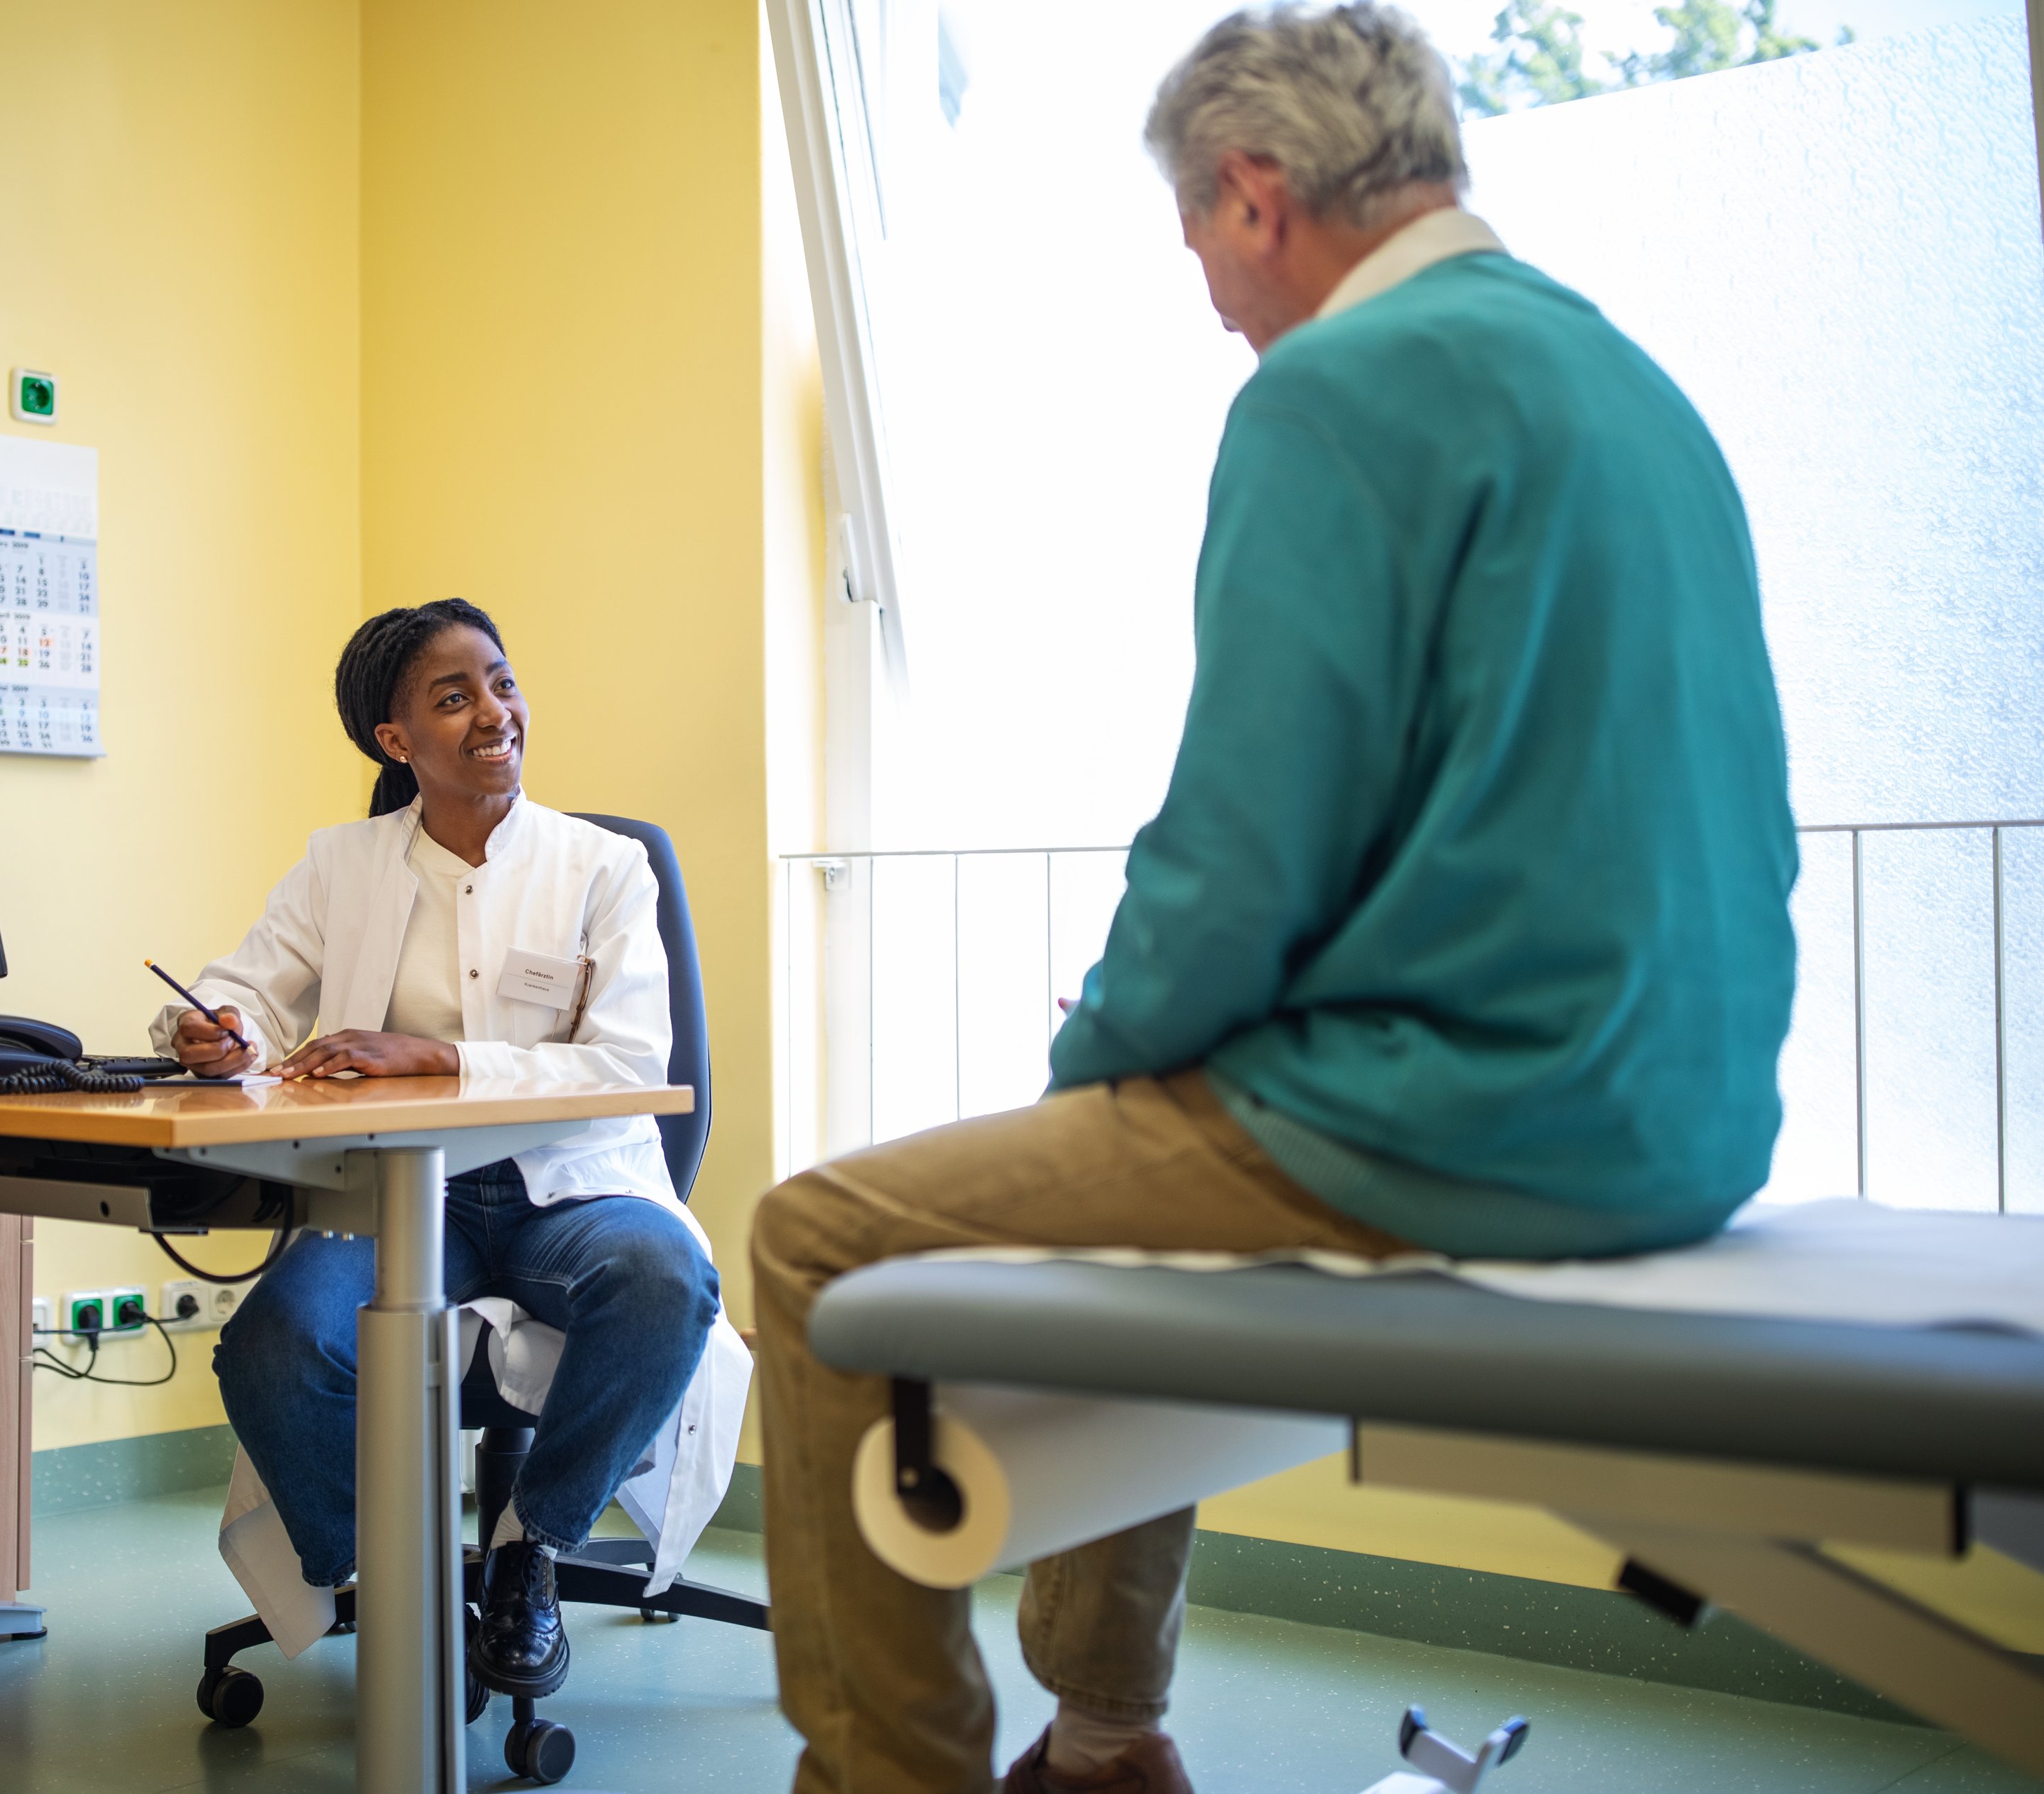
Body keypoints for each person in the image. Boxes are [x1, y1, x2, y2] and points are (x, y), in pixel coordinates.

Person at [749, 6, 1797, 1792]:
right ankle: (1103, 1737)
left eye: (1198, 253)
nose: (1214, 308)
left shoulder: (1332, 389)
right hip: (1685, 1117)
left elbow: (1238, 858)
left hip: (1466, 1121)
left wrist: (1094, 1057)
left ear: (1254, 195)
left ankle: (891, 1774)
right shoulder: (1627, 379)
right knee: (1152, 1148)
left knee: (816, 1237)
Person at [154, 597, 747, 1698]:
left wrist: (438, 1062)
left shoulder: (605, 866)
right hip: (402, 1195)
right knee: (275, 1348)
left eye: (503, 682)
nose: (495, 712)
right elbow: (245, 989)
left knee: (667, 1282)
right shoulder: (344, 865)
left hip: (569, 1188)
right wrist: (212, 1030)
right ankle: (384, 1576)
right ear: (396, 741)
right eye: (454, 696)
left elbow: (630, 1065)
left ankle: (532, 1552)